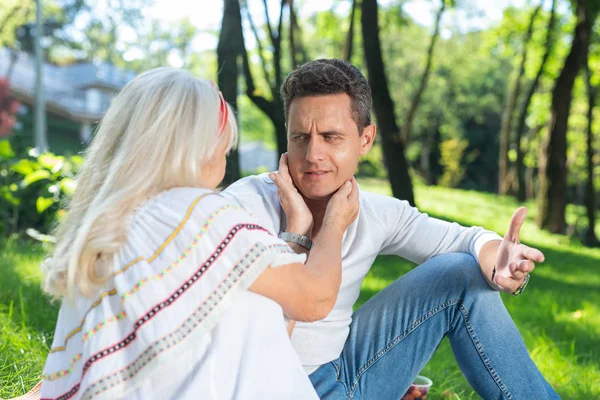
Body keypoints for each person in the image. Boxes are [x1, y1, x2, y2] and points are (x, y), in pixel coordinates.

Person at [222, 58, 561, 399]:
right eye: (300, 137)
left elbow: (466, 240)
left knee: (460, 273)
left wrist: (498, 261)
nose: (313, 154)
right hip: (265, 386)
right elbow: (244, 347)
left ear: (365, 139)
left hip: (338, 375)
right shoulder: (244, 206)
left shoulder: (376, 212)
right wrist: (299, 235)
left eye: (330, 137)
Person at [39, 67, 359, 400]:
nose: (224, 162)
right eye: (224, 151)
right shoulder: (196, 214)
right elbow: (314, 300)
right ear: (199, 147)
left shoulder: (108, 228)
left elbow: (257, 331)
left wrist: (294, 231)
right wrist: (336, 220)